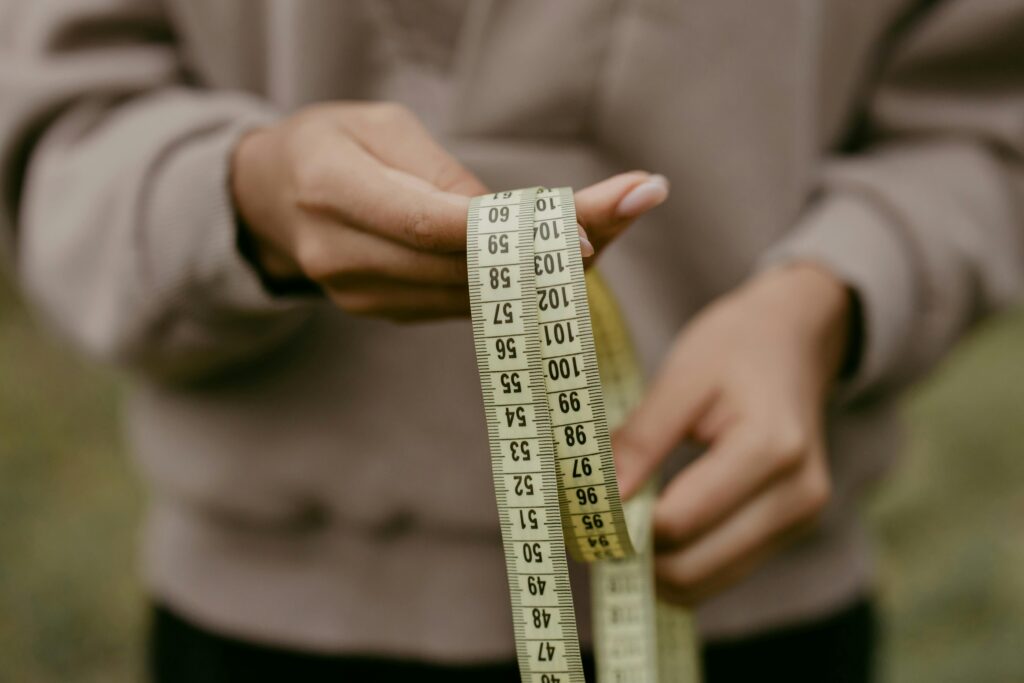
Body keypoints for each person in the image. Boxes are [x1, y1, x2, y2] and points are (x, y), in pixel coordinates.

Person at [1, 1, 1022, 681]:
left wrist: (834, 292)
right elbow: (57, 124)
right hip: (260, 625)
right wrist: (242, 198)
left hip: (753, 615)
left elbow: (988, 121)